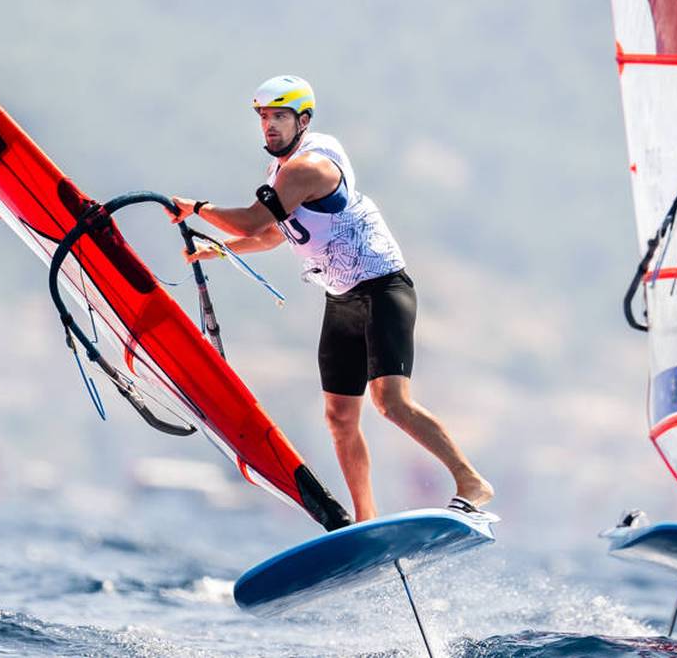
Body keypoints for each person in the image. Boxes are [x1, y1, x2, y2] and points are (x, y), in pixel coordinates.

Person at [165, 75, 493, 522]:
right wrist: (219, 250)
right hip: (341, 300)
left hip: (382, 290)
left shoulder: (308, 168)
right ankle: (365, 520)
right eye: (263, 118)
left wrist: (197, 208)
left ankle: (471, 481)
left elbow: (250, 221)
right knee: (340, 417)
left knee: (390, 403)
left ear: (303, 120)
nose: (269, 127)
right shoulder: (281, 172)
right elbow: (268, 237)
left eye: (279, 117)